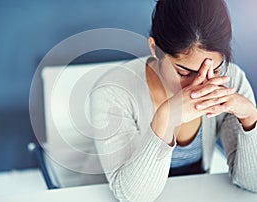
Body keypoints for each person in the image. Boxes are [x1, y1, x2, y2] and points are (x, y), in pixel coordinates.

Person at [89, 0, 257, 201]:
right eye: (184, 72)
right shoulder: (112, 92)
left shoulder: (232, 81)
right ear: (154, 48)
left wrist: (251, 119)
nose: (201, 84)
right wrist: (165, 119)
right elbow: (133, 196)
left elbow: (252, 184)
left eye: (216, 69)